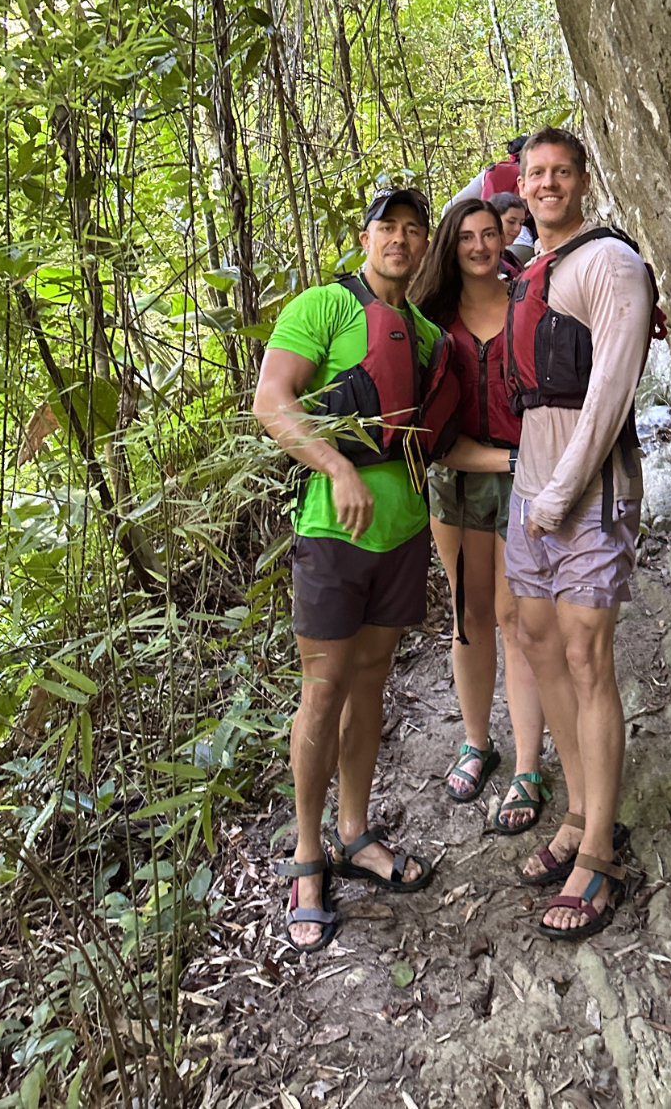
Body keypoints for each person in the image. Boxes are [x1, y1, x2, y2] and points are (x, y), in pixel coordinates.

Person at [252, 189, 507, 953]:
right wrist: (336, 467)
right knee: (323, 689)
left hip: (400, 535)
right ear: (364, 237)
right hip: (332, 535)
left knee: (369, 685)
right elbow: (272, 401)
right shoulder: (324, 307)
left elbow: (438, 440)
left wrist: (521, 459)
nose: (399, 239)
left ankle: (354, 833)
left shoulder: (427, 335)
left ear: (425, 246)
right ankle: (307, 857)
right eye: (386, 227)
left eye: (412, 229)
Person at [503, 127, 658, 940]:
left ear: (583, 180)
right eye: (535, 173)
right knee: (537, 643)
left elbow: (610, 390)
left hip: (590, 492)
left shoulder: (610, 263)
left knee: (585, 655)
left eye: (560, 172)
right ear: (521, 183)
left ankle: (599, 850)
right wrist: (533, 495)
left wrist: (561, 493)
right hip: (529, 491)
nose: (547, 184)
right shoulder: (533, 268)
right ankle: (574, 811)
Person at [410, 201, 549, 832]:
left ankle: (527, 765)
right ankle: (476, 741)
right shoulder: (431, 320)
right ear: (451, 244)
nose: (480, 245)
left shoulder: (526, 300)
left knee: (516, 618)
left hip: (523, 482)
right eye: (466, 236)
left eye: (489, 233)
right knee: (469, 616)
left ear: (505, 238)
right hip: (459, 479)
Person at [488, 190, 533, 272]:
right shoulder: (484, 259)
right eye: (511, 222)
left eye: (521, 223)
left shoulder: (510, 257)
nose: (517, 229)